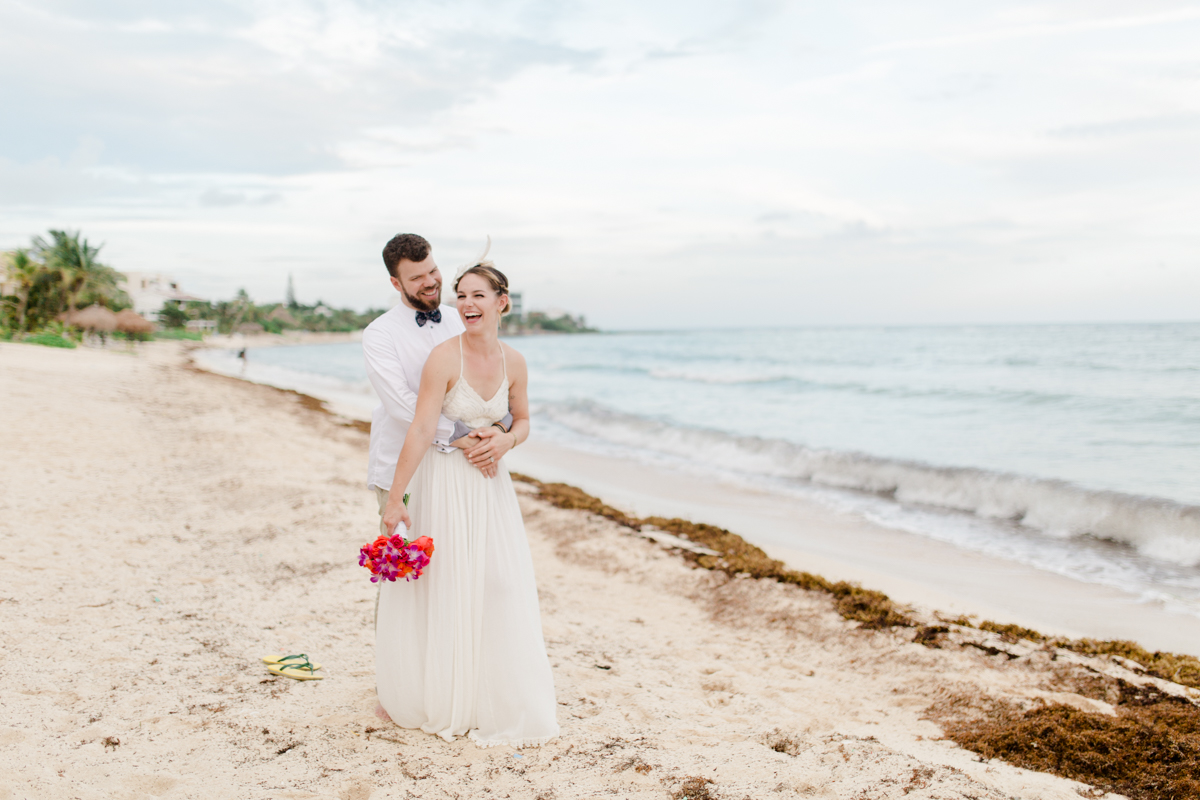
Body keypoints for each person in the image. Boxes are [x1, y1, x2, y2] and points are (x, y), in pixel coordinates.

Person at [374, 246, 559, 748]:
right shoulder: (442, 356)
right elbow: (418, 430)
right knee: (447, 585)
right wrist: (396, 501)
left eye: (478, 294)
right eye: (462, 296)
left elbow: (522, 420)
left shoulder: (515, 361)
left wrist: (506, 440)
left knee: (498, 583)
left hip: (491, 484)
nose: (467, 302)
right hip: (445, 481)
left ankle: (490, 693)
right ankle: (445, 693)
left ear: (503, 302)